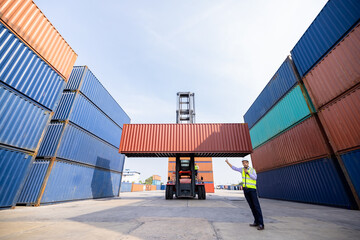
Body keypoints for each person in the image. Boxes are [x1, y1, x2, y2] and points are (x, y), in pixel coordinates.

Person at [225, 158, 264, 230]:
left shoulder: (252, 170)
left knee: (256, 206)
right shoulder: (242, 170)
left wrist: (248, 173)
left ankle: (261, 224)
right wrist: (228, 162)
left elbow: (255, 178)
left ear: (248, 163)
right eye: (243, 163)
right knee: (251, 206)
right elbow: (234, 168)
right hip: (246, 190)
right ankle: (256, 221)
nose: (244, 164)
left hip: (252, 190)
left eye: (245, 162)